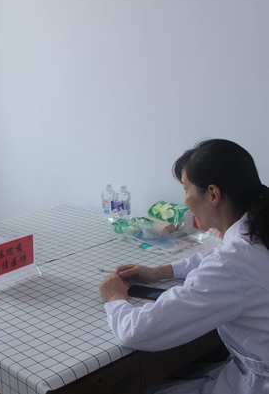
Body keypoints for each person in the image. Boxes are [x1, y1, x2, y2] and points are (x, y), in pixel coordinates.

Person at [99, 139, 269, 394]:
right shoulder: (256, 229)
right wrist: (159, 272)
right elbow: (221, 257)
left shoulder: (231, 265)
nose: (186, 201)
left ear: (213, 194)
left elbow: (139, 332)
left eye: (187, 190)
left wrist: (115, 299)